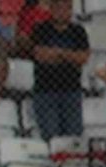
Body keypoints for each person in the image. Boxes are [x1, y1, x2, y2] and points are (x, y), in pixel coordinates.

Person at [30, 0, 89, 142]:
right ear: (51, 9)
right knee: (52, 138)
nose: (61, 12)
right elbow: (40, 55)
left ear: (70, 10)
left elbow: (83, 58)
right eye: (58, 7)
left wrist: (58, 54)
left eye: (66, 8)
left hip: (72, 92)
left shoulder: (78, 31)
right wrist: (69, 56)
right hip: (45, 92)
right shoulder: (40, 30)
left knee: (74, 138)